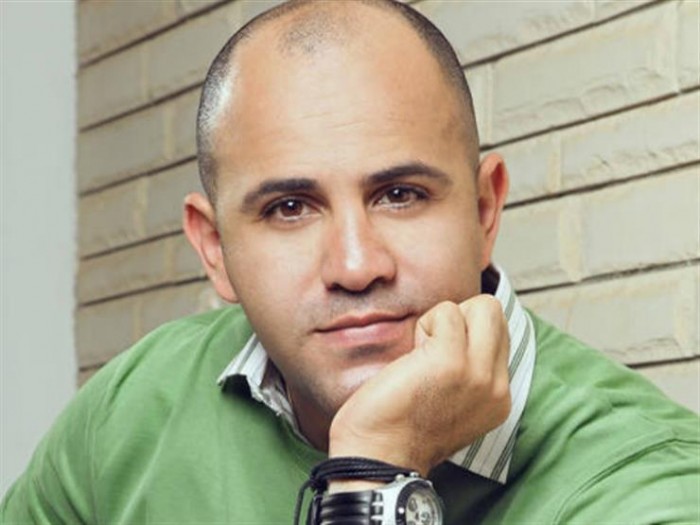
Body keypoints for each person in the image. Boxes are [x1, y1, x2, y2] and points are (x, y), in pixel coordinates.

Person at [2, 0, 698, 523]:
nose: (357, 265)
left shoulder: (644, 478)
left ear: (485, 211)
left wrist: (375, 472)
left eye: (400, 194)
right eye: (289, 208)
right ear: (214, 248)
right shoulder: (130, 409)